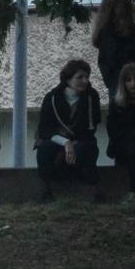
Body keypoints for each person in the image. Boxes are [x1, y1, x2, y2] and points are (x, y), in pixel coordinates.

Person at [35, 60, 103, 201]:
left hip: (81, 140)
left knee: (84, 149)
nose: (85, 81)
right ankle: (47, 191)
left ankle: (91, 188)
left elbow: (91, 128)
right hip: (56, 139)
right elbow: (44, 129)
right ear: (68, 79)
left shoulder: (91, 97)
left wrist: (74, 143)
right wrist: (66, 142)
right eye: (80, 77)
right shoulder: (52, 98)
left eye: (87, 77)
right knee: (44, 150)